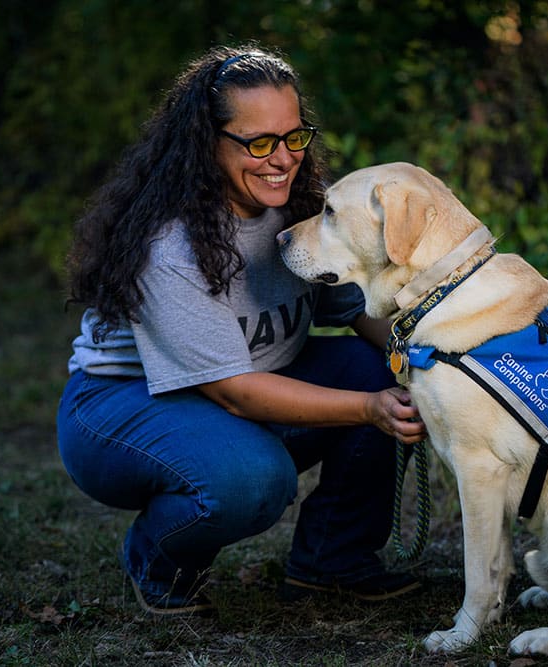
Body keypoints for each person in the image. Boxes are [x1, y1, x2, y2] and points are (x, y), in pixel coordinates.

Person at [56, 44, 427, 616]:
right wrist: (370, 408)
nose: (282, 158)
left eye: (293, 136)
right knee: (253, 479)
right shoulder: (172, 247)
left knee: (395, 370)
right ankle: (157, 559)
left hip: (252, 382)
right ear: (208, 143)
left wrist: (434, 360)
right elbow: (235, 391)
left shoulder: (298, 209)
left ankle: (332, 562)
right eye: (258, 142)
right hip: (119, 409)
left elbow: (361, 310)